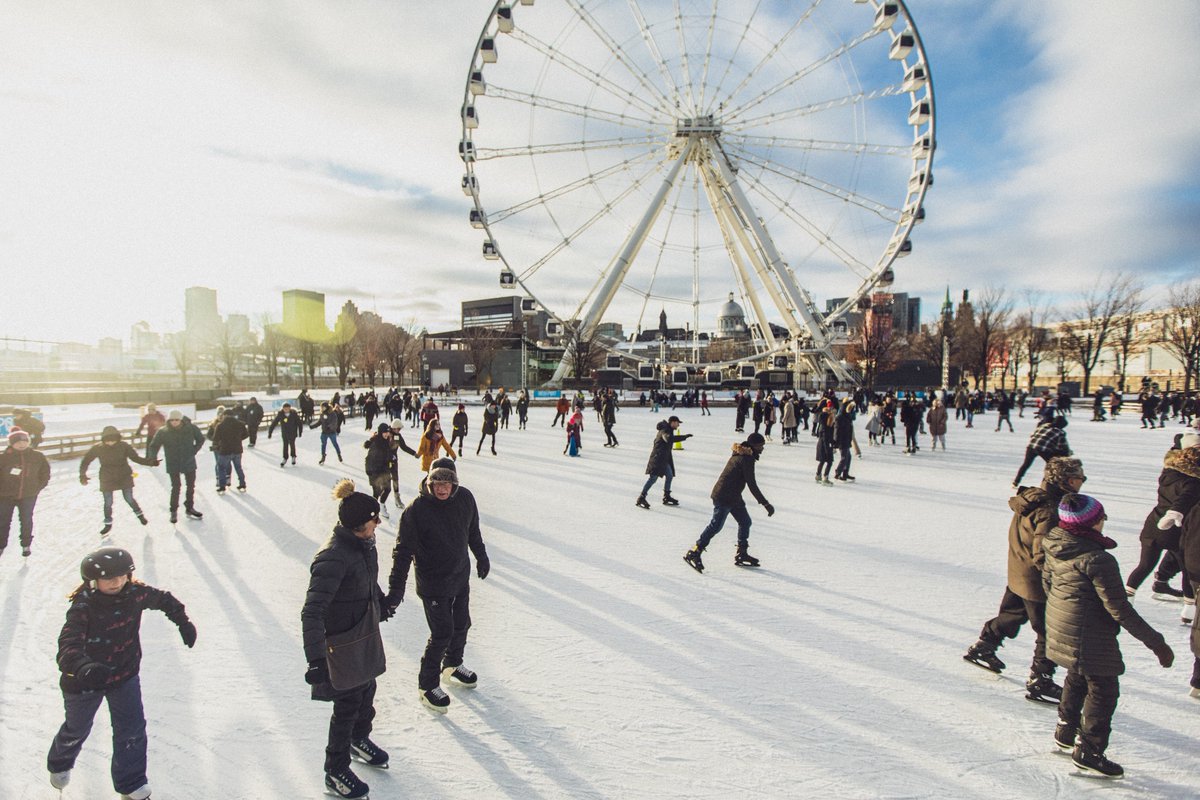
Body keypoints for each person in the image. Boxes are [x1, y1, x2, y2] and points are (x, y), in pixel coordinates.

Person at [47, 546, 196, 799]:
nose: (116, 582)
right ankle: (60, 762)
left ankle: (132, 783)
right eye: (108, 577)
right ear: (93, 581)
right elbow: (68, 645)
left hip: (124, 675)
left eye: (121, 575)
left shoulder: (135, 594)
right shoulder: (83, 606)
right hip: (84, 681)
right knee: (77, 728)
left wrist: (182, 620)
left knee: (132, 729)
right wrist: (83, 667)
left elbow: (164, 599)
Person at [1042, 493, 1173, 778]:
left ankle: (1066, 730)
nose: (1104, 522)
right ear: (1091, 524)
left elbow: (1047, 584)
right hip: (1089, 633)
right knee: (1103, 688)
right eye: (1102, 518)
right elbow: (1120, 609)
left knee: (1077, 675)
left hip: (1061, 623)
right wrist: (1157, 643)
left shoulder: (1055, 543)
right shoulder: (1097, 559)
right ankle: (1090, 750)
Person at [964, 457, 1086, 702]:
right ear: (1063, 480)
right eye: (1077, 479)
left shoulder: (1032, 499)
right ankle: (1041, 680)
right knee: (1049, 631)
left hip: (1019, 571)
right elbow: (1043, 551)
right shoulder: (1050, 510)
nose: (1080, 484)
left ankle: (985, 645)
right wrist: (1056, 578)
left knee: (1012, 613)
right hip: (1037, 580)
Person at [301, 480, 391, 799]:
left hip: (362, 634)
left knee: (368, 689)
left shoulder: (363, 545)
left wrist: (382, 602)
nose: (377, 523)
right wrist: (315, 661)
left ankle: (358, 738)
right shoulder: (333, 558)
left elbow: (366, 582)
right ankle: (335, 770)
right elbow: (311, 612)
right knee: (348, 704)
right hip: (340, 646)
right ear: (357, 525)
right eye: (373, 519)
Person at [386, 458, 490, 713]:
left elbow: (472, 531)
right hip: (433, 582)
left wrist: (481, 555)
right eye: (437, 483)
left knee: (462, 623)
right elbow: (402, 552)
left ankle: (452, 665)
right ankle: (427, 686)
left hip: (459, 576)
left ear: (455, 483)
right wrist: (396, 591)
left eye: (447, 483)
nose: (442, 489)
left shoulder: (465, 499)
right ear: (429, 482)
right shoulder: (417, 510)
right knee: (442, 632)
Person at [1125, 431, 1200, 601]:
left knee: (1144, 566)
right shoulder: (1193, 481)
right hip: (1176, 529)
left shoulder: (1168, 472)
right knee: (1188, 569)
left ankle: (1128, 597)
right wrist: (1174, 513)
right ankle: (1189, 607)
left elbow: (1177, 448)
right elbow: (1184, 498)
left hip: (1153, 525)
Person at [683, 432, 774, 573]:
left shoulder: (742, 454)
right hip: (724, 495)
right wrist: (765, 503)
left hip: (734, 496)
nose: (762, 449)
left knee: (745, 522)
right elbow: (752, 484)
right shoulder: (745, 458)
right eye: (761, 446)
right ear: (753, 446)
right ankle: (695, 551)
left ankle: (741, 553)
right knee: (716, 526)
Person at [80, 426, 157, 535]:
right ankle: (108, 524)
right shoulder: (97, 448)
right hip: (107, 477)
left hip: (124, 475)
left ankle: (140, 515)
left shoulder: (124, 446)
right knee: (108, 502)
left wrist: (150, 462)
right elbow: (86, 461)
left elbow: (135, 458)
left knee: (129, 498)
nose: (110, 442)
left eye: (113, 440)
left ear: (117, 438)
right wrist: (82, 474)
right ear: (103, 439)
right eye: (108, 440)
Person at [147, 410, 206, 524]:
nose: (174, 422)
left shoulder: (191, 428)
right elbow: (154, 446)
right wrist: (153, 457)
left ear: (181, 419)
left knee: (190, 486)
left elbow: (200, 439)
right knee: (176, 487)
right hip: (173, 462)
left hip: (188, 461)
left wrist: (194, 450)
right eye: (172, 420)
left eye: (177, 420)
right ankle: (173, 511)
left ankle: (189, 507)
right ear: (169, 420)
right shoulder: (163, 431)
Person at [0, 427, 51, 558]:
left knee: (26, 519)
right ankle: (1, 544)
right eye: (18, 442)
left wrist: (37, 487)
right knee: (3, 520)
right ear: (12, 443)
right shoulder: (4, 458)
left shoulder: (37, 456)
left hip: (28, 495)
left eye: (24, 441)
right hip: (5, 496)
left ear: (28, 441)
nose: (21, 444)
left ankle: (26, 544)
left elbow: (45, 473)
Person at [636, 416, 692, 509]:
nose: (678, 425)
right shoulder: (665, 430)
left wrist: (683, 437)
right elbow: (668, 438)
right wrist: (683, 437)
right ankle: (641, 497)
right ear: (673, 422)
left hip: (664, 459)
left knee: (669, 475)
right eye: (678, 423)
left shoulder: (668, 429)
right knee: (653, 478)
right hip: (657, 459)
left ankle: (666, 496)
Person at [1012, 416, 1071, 488]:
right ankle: (1046, 484)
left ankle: (1016, 481)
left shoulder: (1043, 426)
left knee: (1026, 464)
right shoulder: (1060, 432)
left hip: (1031, 446)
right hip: (1044, 449)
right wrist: (1068, 453)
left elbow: (1033, 435)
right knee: (1051, 466)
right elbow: (1062, 446)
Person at [363, 424, 405, 518]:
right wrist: (369, 470)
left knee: (388, 489)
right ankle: (372, 511)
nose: (387, 434)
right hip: (374, 470)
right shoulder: (375, 443)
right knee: (376, 492)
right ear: (381, 432)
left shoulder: (386, 441)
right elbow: (369, 458)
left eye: (388, 432)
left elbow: (387, 453)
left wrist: (391, 457)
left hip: (384, 469)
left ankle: (382, 506)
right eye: (385, 432)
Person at [210, 406, 249, 494]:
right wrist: (239, 439)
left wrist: (218, 445)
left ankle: (222, 487)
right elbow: (246, 434)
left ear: (224, 415)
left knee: (221, 468)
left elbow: (215, 438)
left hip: (225, 450)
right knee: (238, 468)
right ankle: (242, 484)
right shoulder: (240, 424)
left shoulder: (220, 425)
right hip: (237, 450)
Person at [267, 402, 304, 467]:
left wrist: (300, 432)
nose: (286, 409)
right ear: (283, 408)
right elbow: (274, 423)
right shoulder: (280, 414)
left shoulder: (293, 414)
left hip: (293, 432)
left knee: (292, 444)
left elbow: (299, 423)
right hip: (285, 433)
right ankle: (285, 457)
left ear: (290, 408)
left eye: (287, 408)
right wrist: (270, 432)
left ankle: (293, 456)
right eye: (285, 408)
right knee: (285, 445)